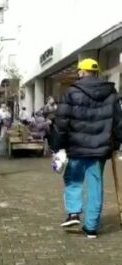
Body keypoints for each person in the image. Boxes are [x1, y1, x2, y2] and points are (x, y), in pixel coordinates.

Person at [52, 58, 122, 239]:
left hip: (76, 148)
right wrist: (118, 143)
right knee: (95, 186)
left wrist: (57, 145)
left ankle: (74, 213)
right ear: (97, 72)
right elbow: (118, 122)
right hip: (100, 150)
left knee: (73, 180)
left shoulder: (72, 93)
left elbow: (61, 122)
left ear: (81, 72)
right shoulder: (112, 93)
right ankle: (91, 228)